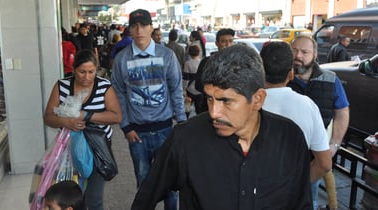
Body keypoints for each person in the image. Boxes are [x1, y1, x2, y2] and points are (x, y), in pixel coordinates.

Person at [131, 44, 312, 210]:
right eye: (210, 98)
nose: (213, 112)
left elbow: (301, 203)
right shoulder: (186, 139)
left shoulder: (290, 139)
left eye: (226, 101)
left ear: (257, 99)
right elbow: (145, 199)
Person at [111, 8, 186, 210]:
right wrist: (125, 127)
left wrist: (181, 123)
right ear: (129, 29)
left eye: (144, 25)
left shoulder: (167, 55)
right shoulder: (122, 59)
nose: (139, 30)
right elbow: (118, 93)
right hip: (137, 134)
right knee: (144, 185)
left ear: (151, 27)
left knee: (171, 184)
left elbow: (176, 89)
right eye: (134, 26)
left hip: (165, 131)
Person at [44, 49, 122, 210]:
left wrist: (85, 115)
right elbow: (48, 117)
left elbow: (116, 116)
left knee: (94, 199)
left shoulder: (104, 86)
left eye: (91, 72)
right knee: (69, 198)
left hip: (97, 150)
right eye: (82, 72)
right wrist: (65, 122)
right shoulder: (62, 86)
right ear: (73, 70)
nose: (86, 77)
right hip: (68, 150)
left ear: (97, 69)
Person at [288, 35, 350, 210]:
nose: (298, 56)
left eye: (304, 52)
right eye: (294, 51)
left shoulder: (331, 80)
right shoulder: (281, 79)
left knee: (309, 200)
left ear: (315, 55)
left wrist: (334, 144)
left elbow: (342, 112)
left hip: (313, 157)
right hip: (283, 153)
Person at [260, 41, 332, 183]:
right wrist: (298, 187)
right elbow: (324, 164)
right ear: (291, 74)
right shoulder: (308, 106)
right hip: (293, 194)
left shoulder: (247, 104)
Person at [194, 28, 234, 113]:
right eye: (224, 41)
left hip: (231, 109)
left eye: (230, 41)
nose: (228, 44)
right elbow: (198, 85)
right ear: (217, 43)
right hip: (209, 108)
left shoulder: (238, 64)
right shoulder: (207, 62)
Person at [182, 45, 202, 117]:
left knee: (187, 108)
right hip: (200, 90)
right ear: (199, 53)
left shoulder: (188, 63)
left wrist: (184, 90)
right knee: (199, 110)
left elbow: (186, 78)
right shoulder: (202, 62)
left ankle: (185, 122)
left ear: (189, 53)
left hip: (190, 90)